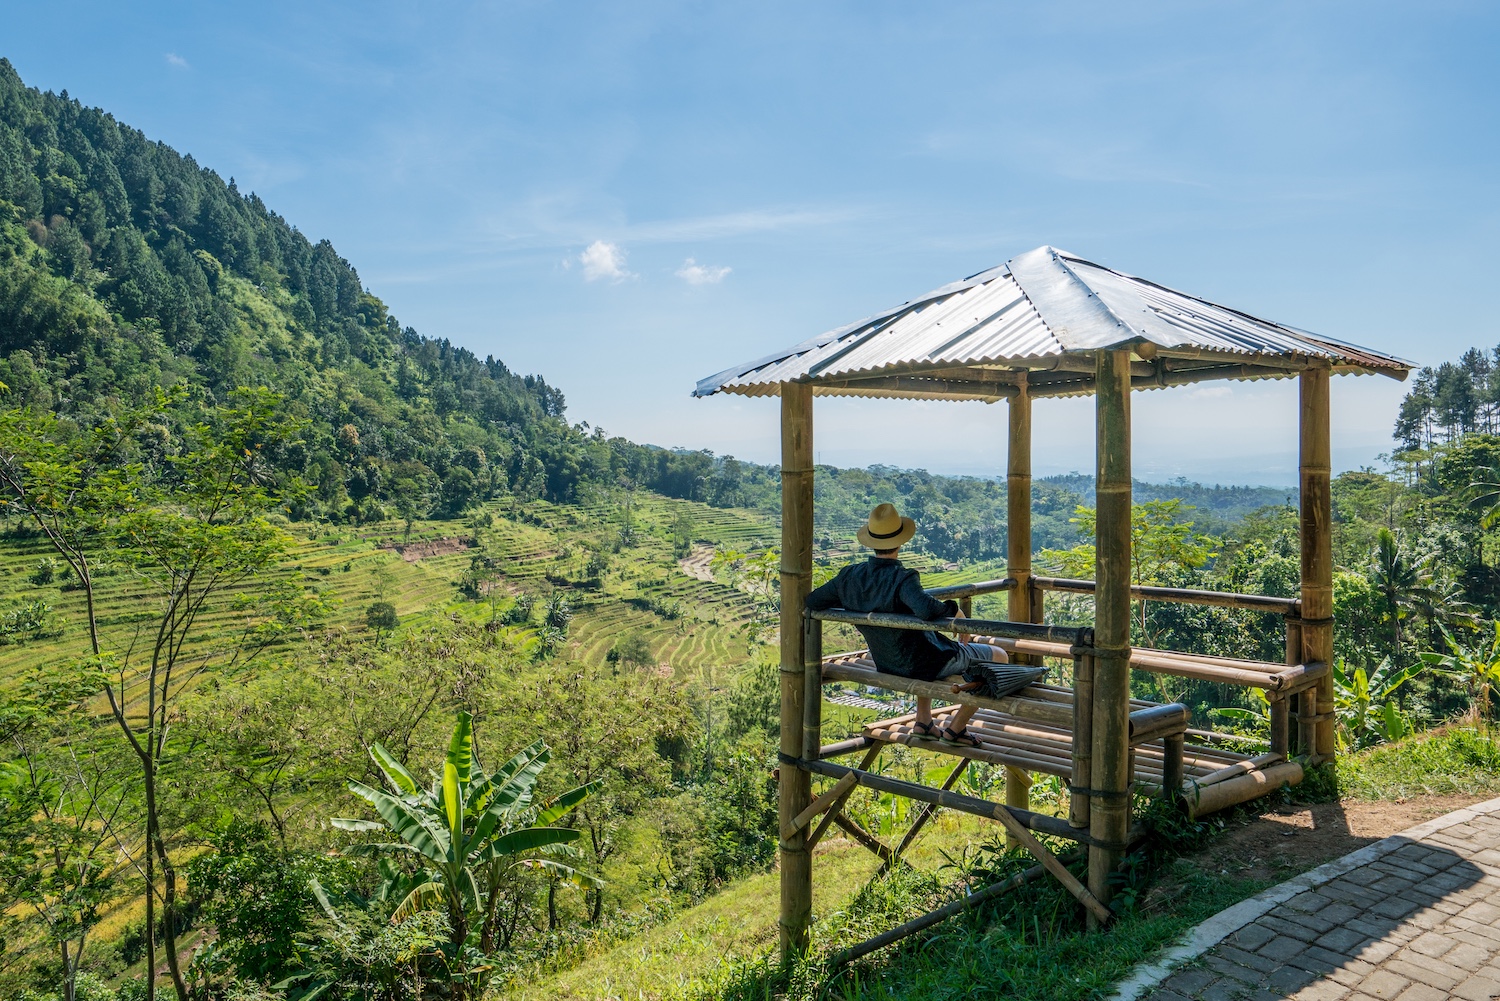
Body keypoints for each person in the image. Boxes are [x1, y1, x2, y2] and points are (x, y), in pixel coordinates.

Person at [806, 502, 1007, 746]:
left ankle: (923, 721)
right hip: (925, 663)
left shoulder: (849, 576)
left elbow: (814, 601)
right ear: (900, 543)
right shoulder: (902, 577)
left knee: (922, 644)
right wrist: (954, 610)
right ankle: (956, 729)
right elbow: (925, 608)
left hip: (886, 662)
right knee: (999, 656)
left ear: (871, 542)